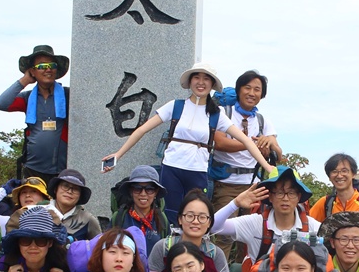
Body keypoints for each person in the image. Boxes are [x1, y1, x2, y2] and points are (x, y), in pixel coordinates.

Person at [101, 62, 275, 223]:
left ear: (212, 84)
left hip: (198, 172)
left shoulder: (216, 115)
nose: (201, 82)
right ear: (190, 81)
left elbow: (247, 141)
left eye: (206, 79)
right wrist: (118, 155)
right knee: (169, 216)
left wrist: (268, 168)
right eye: (197, 78)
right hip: (171, 169)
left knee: (195, 217)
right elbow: (142, 130)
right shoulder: (175, 106)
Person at [210, 70, 281, 212]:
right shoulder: (223, 113)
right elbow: (220, 143)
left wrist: (268, 143)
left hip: (254, 185)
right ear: (239, 90)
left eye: (257, 90)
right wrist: (252, 144)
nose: (251, 93)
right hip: (225, 184)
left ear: (262, 95)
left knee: (252, 232)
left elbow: (278, 154)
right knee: (225, 230)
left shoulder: (263, 121)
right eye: (247, 88)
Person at [0, 44, 69, 180]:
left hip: (63, 169)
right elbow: (1, 103)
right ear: (32, 72)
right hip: (33, 169)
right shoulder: (27, 98)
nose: (47, 69)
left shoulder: (68, 96)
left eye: (51, 65)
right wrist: (24, 80)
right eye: (41, 66)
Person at [146, 189, 229, 272]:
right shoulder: (163, 248)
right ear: (180, 219)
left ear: (209, 223)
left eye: (202, 217)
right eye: (190, 216)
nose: (195, 221)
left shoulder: (215, 254)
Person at [309, 154, 359, 235]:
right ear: (329, 177)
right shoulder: (325, 203)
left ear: (353, 174)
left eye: (344, 171)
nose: (339, 175)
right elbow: (306, 225)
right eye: (334, 171)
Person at [112, 165, 171, 249]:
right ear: (131, 191)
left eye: (149, 189)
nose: (143, 194)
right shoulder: (119, 217)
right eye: (137, 189)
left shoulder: (162, 219)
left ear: (156, 192)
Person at [47, 168, 102, 240]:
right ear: (55, 189)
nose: (69, 191)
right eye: (65, 186)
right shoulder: (39, 212)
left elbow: (98, 247)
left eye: (75, 189)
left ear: (80, 196)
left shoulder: (88, 219)